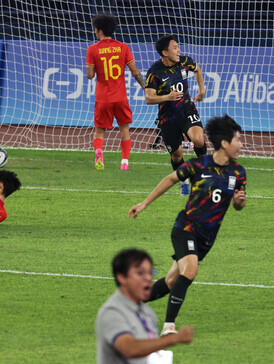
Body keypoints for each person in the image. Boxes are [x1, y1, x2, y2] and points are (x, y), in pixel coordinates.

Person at [129, 115, 247, 336]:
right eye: (238, 140)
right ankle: (168, 327)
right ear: (224, 143)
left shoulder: (238, 173)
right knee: (190, 271)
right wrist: (144, 203)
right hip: (185, 228)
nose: (241, 144)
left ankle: (131, 307)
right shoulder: (198, 165)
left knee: (172, 280)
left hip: (207, 239)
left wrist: (239, 203)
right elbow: (170, 179)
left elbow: (237, 204)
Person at [96, 249, 194, 364]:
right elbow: (129, 348)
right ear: (122, 277)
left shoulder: (147, 313)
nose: (148, 278)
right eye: (140, 273)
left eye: (150, 273)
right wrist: (173, 339)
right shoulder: (113, 312)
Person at [144, 35, 207, 195]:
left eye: (178, 47)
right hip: (168, 117)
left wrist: (201, 91)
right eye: (175, 47)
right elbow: (149, 98)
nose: (179, 50)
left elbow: (197, 69)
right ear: (165, 52)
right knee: (177, 156)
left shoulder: (185, 62)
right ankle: (184, 181)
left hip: (187, 109)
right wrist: (167, 97)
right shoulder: (154, 72)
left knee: (198, 140)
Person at [86, 13, 146, 171]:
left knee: (99, 130)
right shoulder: (123, 47)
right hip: (120, 97)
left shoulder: (92, 49)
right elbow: (135, 72)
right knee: (124, 129)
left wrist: (94, 67)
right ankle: (125, 161)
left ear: (99, 31)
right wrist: (147, 89)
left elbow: (90, 75)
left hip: (102, 98)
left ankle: (99, 152)